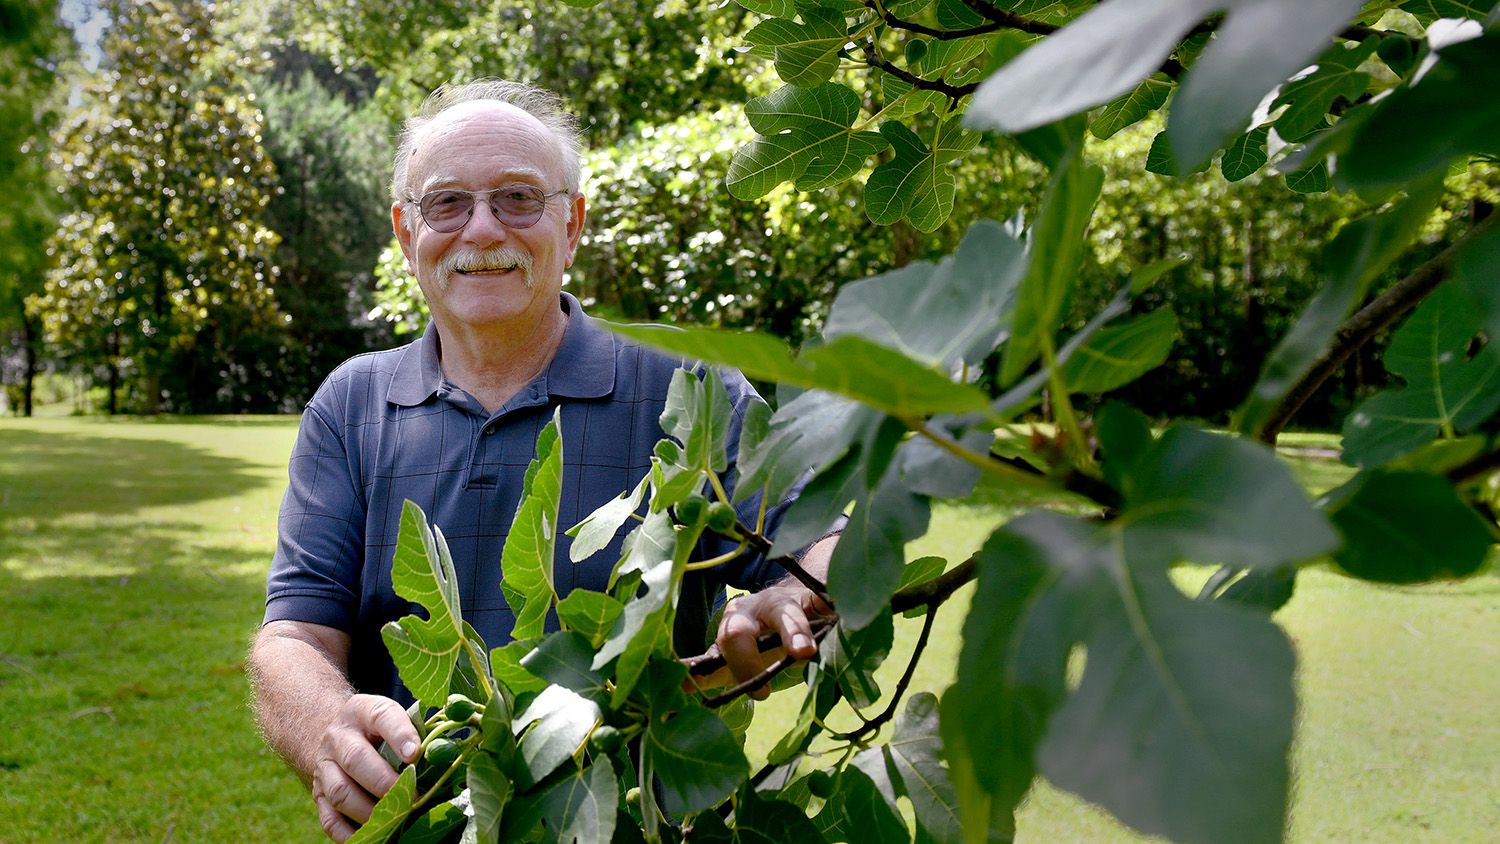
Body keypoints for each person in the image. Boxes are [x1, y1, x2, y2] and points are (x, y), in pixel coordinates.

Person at [247, 79, 837, 842]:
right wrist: (325, 725)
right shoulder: (351, 405)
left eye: (519, 198)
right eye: (446, 203)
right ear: (405, 231)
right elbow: (294, 636)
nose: (482, 229)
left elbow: (826, 539)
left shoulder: (685, 382)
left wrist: (790, 596)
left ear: (573, 222)